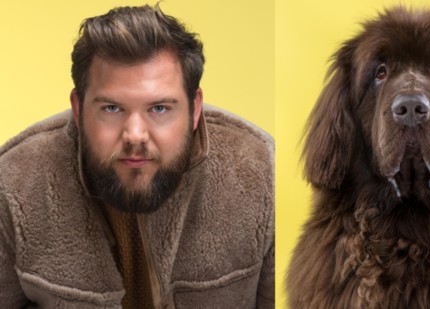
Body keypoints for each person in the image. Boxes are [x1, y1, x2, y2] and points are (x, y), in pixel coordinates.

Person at [0, 4, 273, 309]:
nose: (135, 135)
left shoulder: (260, 173)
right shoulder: (12, 185)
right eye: (112, 108)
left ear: (195, 108)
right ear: (78, 109)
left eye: (159, 109)